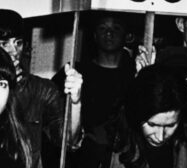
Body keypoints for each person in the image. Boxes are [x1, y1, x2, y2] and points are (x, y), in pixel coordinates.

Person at [0, 9, 83, 168]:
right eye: (4, 44)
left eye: (18, 43)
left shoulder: (41, 90)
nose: (13, 52)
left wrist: (75, 102)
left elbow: (68, 140)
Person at [52, 11, 136, 168]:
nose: (109, 33)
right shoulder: (76, 73)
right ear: (95, 35)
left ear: (126, 35)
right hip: (81, 159)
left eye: (116, 28)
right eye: (103, 28)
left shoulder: (135, 73)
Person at [112, 64, 187, 168]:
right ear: (136, 115)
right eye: (152, 124)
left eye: (170, 125)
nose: (160, 137)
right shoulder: (103, 145)